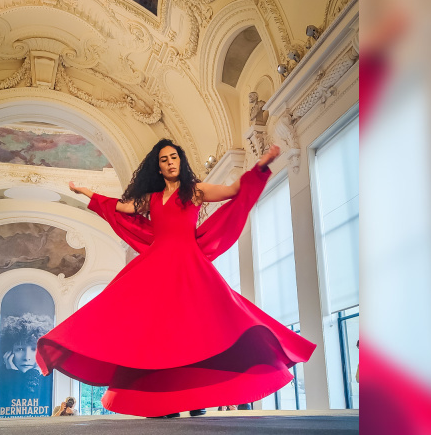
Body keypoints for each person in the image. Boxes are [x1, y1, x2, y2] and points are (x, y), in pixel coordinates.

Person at [35, 139, 316, 418]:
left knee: (198, 328)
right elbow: (120, 209)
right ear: (158, 168)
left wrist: (261, 166)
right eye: (164, 160)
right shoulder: (152, 198)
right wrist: (85, 192)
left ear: (181, 162)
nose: (170, 163)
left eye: (174, 158)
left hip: (189, 265)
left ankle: (196, 400)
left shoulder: (194, 191)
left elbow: (232, 191)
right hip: (157, 265)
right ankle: (161, 403)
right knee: (157, 330)